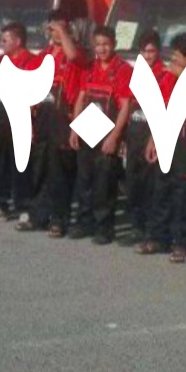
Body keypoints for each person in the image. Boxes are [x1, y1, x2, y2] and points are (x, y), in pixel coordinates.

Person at [137, 31, 186, 262]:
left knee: (185, 194)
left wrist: (182, 76)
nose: (171, 59)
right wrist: (153, 139)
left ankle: (183, 243)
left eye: (176, 55)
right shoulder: (169, 75)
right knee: (161, 188)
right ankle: (157, 237)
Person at [17, 10, 83, 237]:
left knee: (59, 172)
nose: (56, 32)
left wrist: (63, 33)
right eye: (53, 28)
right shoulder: (42, 56)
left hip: (63, 118)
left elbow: (73, 57)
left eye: (62, 27)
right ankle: (38, 215)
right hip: (42, 118)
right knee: (39, 169)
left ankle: (59, 219)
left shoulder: (75, 52)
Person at [68, 26, 132, 245]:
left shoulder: (123, 70)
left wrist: (114, 137)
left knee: (104, 183)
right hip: (87, 127)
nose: (102, 49)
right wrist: (75, 128)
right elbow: (81, 97)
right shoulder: (89, 67)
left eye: (106, 44)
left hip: (107, 132)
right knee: (84, 179)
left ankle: (104, 228)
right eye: (98, 45)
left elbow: (125, 106)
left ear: (114, 44)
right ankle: (83, 222)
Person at [0, 22, 42, 223]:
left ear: (17, 41)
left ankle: (24, 206)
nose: (1, 43)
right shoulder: (1, 61)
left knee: (21, 163)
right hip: (1, 112)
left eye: (5, 40)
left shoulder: (32, 61)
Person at [121, 30, 164, 247]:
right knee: (133, 183)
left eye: (151, 51)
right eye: (144, 52)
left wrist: (154, 140)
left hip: (151, 137)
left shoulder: (165, 75)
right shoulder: (137, 74)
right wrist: (123, 138)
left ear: (158, 52)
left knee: (151, 186)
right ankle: (136, 226)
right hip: (134, 135)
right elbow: (127, 106)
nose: (148, 56)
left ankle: (150, 230)